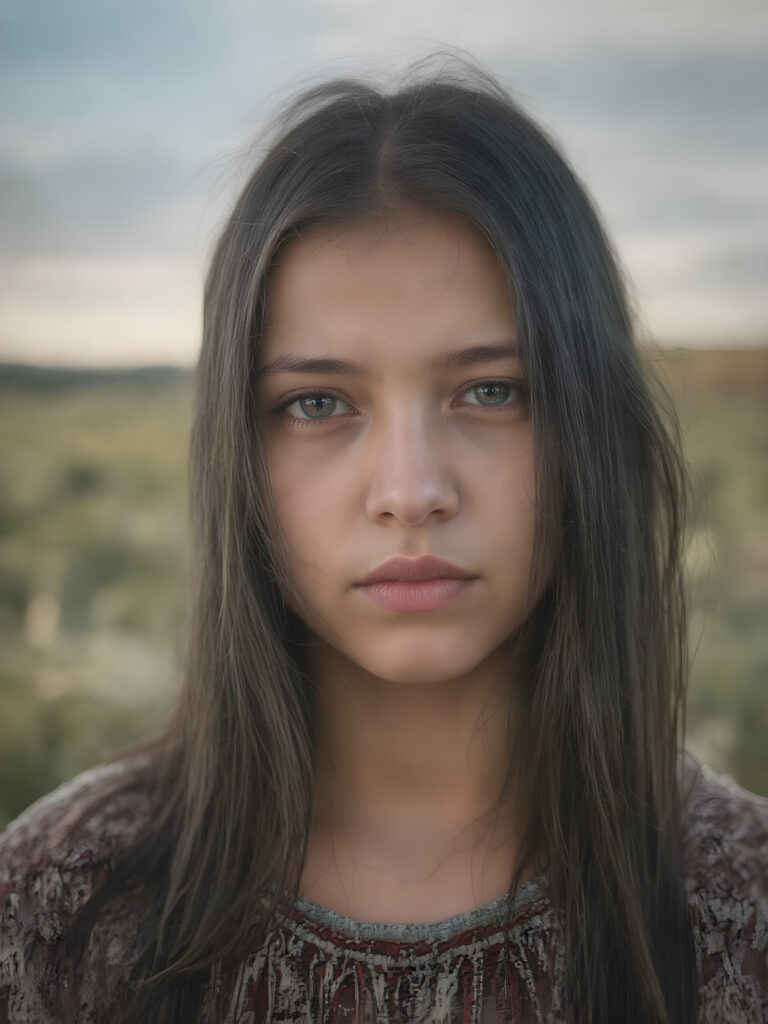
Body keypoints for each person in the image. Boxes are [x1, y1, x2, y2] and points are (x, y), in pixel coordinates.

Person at [0, 56, 766, 1024]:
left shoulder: (739, 917)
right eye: (317, 403)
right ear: (236, 453)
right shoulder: (57, 910)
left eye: (492, 391)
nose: (412, 492)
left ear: (591, 425)